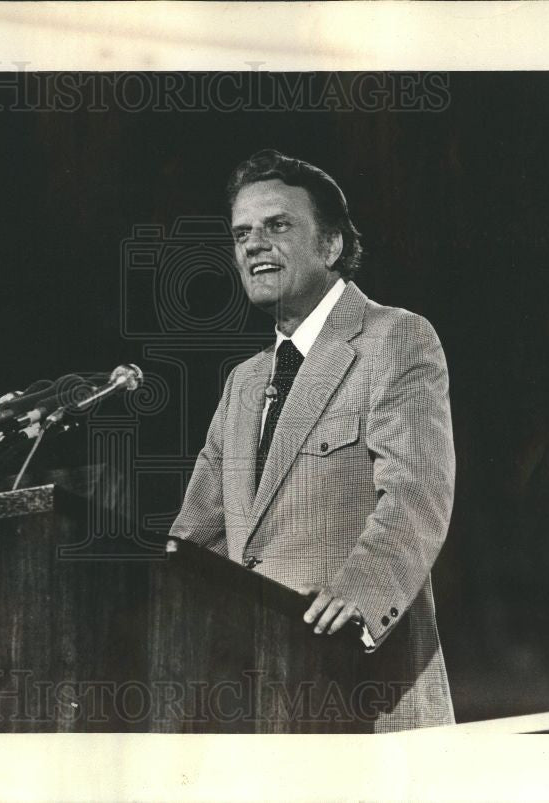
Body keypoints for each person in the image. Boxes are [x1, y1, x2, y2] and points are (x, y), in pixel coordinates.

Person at [169, 149, 456, 731]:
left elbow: (417, 492)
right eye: (242, 233)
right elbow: (197, 534)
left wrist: (359, 597)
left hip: (359, 689)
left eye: (277, 226)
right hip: (257, 699)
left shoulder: (394, 338)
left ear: (331, 246)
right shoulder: (244, 383)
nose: (253, 245)